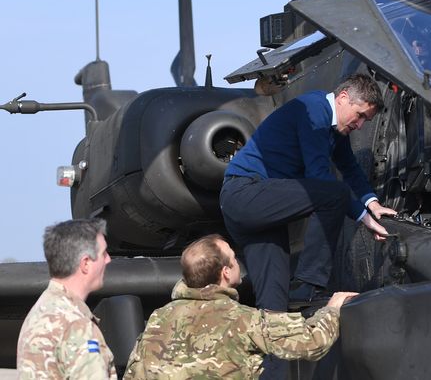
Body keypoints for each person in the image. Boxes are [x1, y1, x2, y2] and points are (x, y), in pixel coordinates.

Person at [220, 73, 396, 311]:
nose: (360, 125)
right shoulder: (314, 110)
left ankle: (273, 341)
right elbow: (319, 175)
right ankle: (309, 282)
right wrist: (363, 218)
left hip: (261, 209)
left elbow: (350, 168)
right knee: (335, 193)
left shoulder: (335, 129)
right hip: (246, 193)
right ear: (343, 97)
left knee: (274, 302)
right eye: (360, 115)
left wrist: (372, 204)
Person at [123, 234, 357, 379]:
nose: (237, 263)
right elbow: (312, 343)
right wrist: (332, 308)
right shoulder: (243, 319)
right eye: (234, 259)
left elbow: (134, 373)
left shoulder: (158, 318)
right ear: (225, 273)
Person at [16, 218, 115, 379]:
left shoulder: (41, 311)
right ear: (86, 264)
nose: (108, 259)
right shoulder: (76, 324)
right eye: (103, 253)